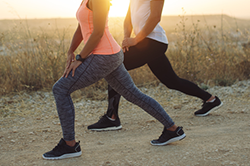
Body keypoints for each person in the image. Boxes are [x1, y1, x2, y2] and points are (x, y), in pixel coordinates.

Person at [42, 0, 186, 160]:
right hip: (108, 55)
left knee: (61, 89)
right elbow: (82, 27)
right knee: (133, 94)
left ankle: (69, 145)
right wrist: (70, 50)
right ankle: (172, 128)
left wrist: (80, 58)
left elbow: (97, 33)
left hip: (104, 56)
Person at [87, 0, 223, 131]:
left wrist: (135, 40)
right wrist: (126, 39)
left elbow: (155, 17)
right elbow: (128, 19)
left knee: (115, 66)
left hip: (154, 41)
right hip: (146, 43)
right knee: (171, 81)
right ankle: (211, 100)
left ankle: (112, 117)